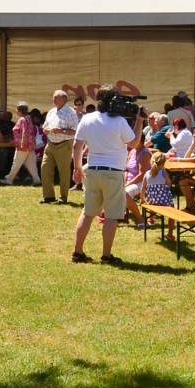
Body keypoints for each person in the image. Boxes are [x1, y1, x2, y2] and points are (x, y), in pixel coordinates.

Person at [70, 89, 143, 264]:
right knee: (111, 215)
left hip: (93, 170)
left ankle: (78, 252)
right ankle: (106, 255)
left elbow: (77, 146)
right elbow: (134, 142)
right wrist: (140, 120)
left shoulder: (87, 118)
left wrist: (77, 168)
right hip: (113, 171)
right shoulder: (119, 121)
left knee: (87, 213)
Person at [40, 90, 80, 203]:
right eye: (53, 97)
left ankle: (63, 197)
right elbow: (44, 128)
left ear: (64, 99)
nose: (53, 99)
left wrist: (61, 131)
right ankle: (48, 197)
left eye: (56, 97)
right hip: (50, 144)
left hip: (64, 145)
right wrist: (47, 130)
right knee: (45, 169)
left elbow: (75, 131)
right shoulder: (51, 111)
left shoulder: (71, 113)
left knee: (63, 172)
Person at [2, 103, 39, 185]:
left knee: (16, 163)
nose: (16, 111)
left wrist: (22, 143)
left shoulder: (22, 119)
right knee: (31, 164)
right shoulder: (29, 118)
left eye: (17, 110)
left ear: (20, 111)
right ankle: (37, 180)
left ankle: (9, 179)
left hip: (23, 145)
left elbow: (24, 131)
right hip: (30, 145)